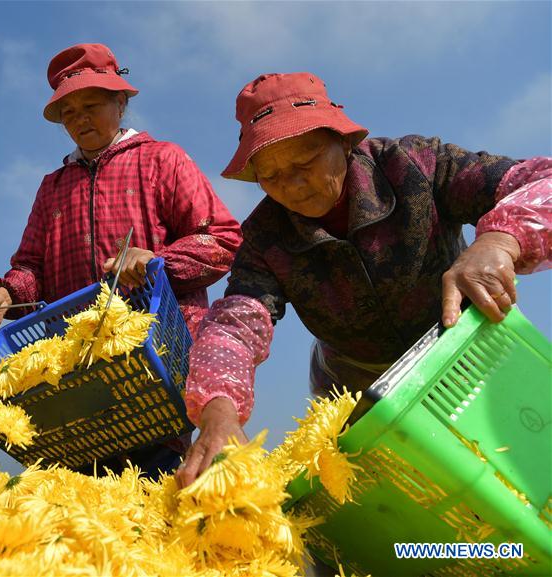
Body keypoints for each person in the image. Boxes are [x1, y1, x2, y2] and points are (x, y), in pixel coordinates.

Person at [176, 72, 551, 489]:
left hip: (468, 359)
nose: (294, 185)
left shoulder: (416, 166)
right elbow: (235, 324)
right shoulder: (265, 236)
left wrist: (500, 241)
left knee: (512, 486)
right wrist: (218, 408)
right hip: (358, 394)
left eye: (306, 161)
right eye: (273, 175)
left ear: (344, 141)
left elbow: (541, 181)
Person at [0, 43, 243, 478]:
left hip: (156, 359)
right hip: (80, 373)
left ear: (121, 102)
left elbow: (222, 239)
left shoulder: (161, 160)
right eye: (68, 113)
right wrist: (5, 291)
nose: (80, 120)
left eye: (91, 105)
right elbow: (31, 265)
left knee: (159, 485)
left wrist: (155, 261)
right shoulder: (52, 187)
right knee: (87, 491)